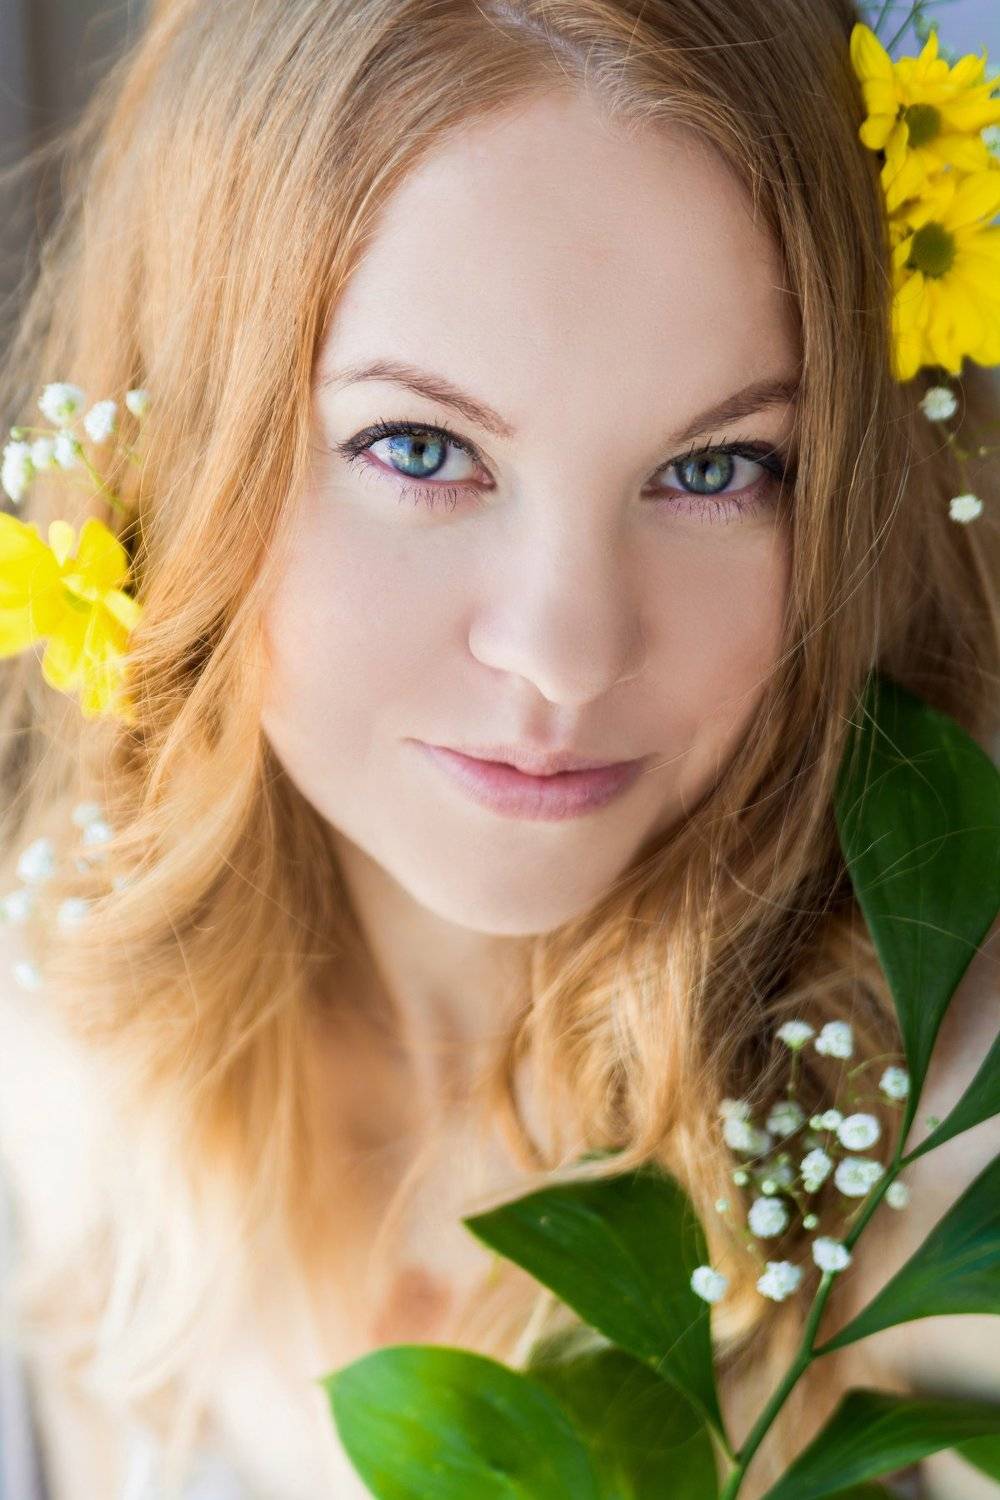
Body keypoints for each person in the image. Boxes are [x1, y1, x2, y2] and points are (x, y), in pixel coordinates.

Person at [0, 1, 997, 1497]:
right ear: (168, 450)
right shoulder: (62, 1061)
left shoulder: (944, 1151)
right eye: (421, 449)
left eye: (715, 468)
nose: (567, 651)